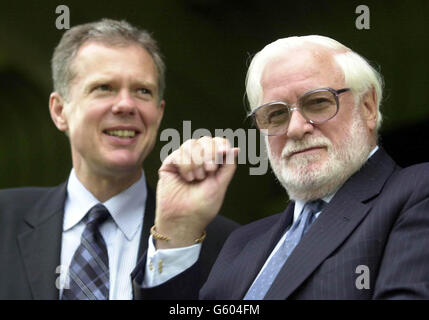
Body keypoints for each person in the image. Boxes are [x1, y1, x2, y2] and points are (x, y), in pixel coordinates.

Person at [134, 35, 429, 299]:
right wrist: (176, 233)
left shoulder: (417, 193)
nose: (296, 128)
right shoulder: (243, 243)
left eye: (317, 102)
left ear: (367, 107)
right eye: (275, 114)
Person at [0, 19, 238, 300]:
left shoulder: (228, 245)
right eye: (104, 87)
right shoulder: (5, 219)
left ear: (159, 114)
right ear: (59, 111)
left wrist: (176, 239)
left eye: (142, 91)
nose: (126, 104)